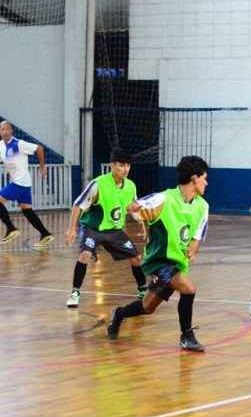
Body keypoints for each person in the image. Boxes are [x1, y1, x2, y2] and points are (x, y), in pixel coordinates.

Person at [106, 155, 209, 352]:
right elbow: (138, 207)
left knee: (147, 307)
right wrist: (136, 209)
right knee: (188, 288)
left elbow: (197, 236)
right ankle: (186, 336)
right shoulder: (164, 198)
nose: (206, 182)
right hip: (158, 260)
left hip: (177, 263)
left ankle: (118, 314)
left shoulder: (203, 207)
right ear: (194, 178)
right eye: (204, 177)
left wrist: (192, 250)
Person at [64, 149, 146, 308]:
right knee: (85, 254)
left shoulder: (130, 186)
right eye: (122, 165)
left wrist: (141, 222)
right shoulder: (98, 184)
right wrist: (72, 229)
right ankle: (75, 292)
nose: (126, 169)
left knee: (136, 258)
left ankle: (143, 289)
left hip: (114, 230)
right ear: (112, 165)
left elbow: (132, 208)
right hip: (93, 228)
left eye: (128, 165)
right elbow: (78, 205)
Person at [0, 119, 54, 248]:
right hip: (23, 183)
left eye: (7, 129)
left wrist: (42, 166)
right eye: (2, 130)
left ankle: (11, 228)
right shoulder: (1, 145)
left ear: (12, 131)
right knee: (27, 211)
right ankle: (45, 234)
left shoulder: (19, 144)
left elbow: (39, 149)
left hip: (20, 183)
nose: (5, 132)